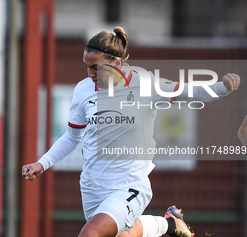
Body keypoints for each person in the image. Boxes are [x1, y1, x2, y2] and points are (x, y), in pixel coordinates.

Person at [22, 27, 241, 237]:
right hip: (92, 186)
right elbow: (72, 136)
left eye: (96, 68)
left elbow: (194, 93)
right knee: (125, 235)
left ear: (117, 63)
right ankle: (169, 224)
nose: (89, 74)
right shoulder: (83, 90)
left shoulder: (146, 84)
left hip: (130, 186)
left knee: (91, 234)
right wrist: (42, 163)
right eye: (86, 67)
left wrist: (224, 87)